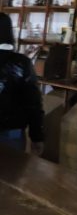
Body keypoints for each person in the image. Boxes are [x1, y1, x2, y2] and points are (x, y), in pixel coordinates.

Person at [0, 13, 44, 155]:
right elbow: (33, 103)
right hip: (11, 133)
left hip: (11, 132)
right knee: (11, 168)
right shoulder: (21, 62)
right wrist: (37, 136)